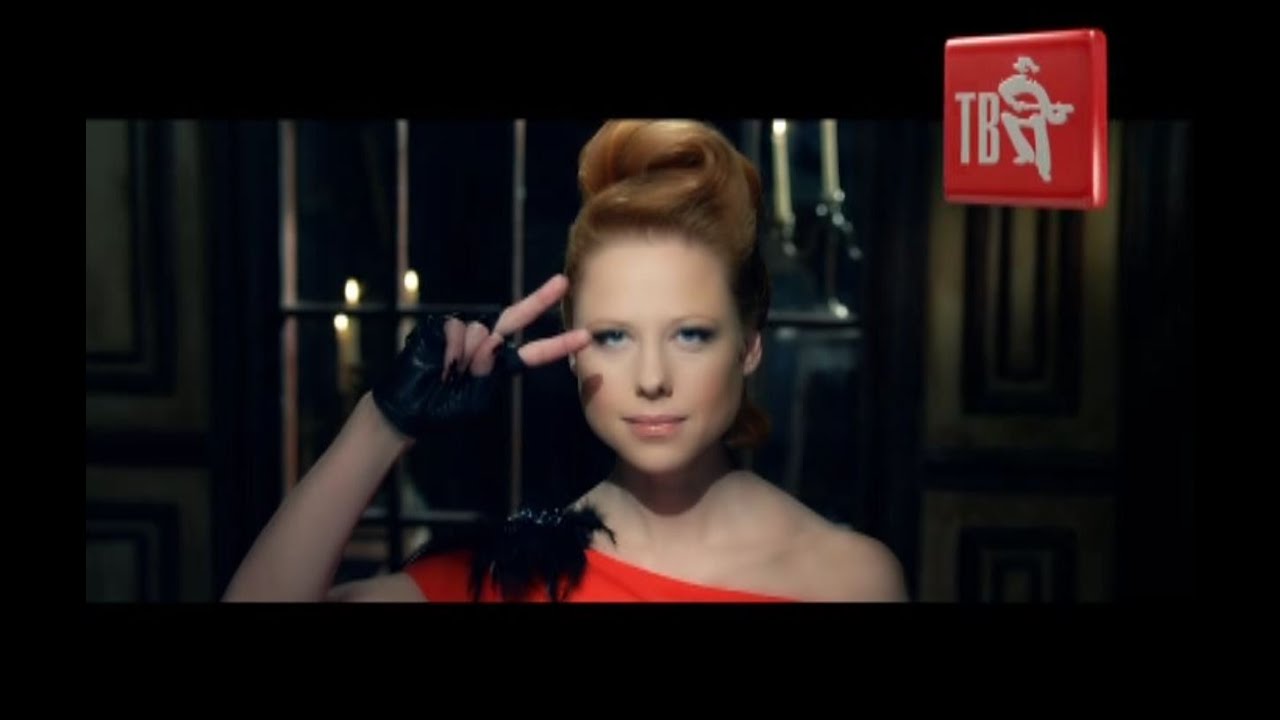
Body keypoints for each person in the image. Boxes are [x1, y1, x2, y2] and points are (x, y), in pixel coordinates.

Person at [223, 119, 908, 603]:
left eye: (691, 335)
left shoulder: (849, 580)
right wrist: (384, 423)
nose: (652, 379)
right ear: (571, 350)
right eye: (613, 337)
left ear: (750, 344)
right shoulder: (512, 578)